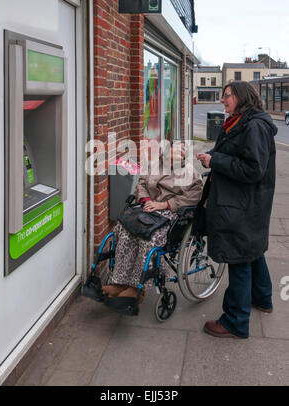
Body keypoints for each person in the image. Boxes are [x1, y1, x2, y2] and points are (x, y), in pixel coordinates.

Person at [196, 81, 277, 339]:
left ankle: (235, 321)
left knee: (239, 257)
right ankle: (262, 298)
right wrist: (213, 155)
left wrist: (215, 160)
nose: (222, 100)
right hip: (246, 203)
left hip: (242, 204)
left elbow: (253, 169)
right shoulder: (240, 121)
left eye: (227, 95)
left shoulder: (253, 126)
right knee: (252, 251)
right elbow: (236, 153)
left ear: (241, 97)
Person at [103, 141, 203, 303]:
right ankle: (120, 282)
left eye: (181, 151)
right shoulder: (155, 165)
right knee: (125, 229)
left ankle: (137, 288)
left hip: (169, 213)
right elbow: (141, 183)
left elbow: (192, 197)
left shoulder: (191, 174)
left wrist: (164, 204)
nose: (176, 153)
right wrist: (146, 199)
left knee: (150, 236)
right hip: (147, 207)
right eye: (173, 149)